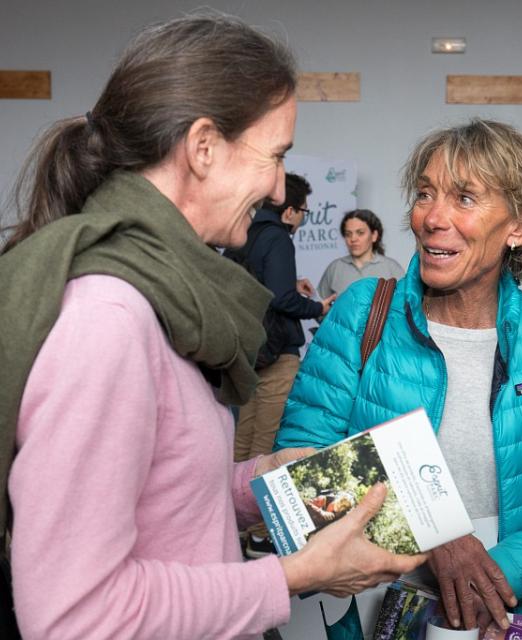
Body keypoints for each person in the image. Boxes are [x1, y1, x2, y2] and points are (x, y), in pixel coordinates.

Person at [0, 15, 427, 639]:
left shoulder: (161, 301)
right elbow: (74, 617)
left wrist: (262, 483)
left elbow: (156, 495)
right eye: (276, 155)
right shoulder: (109, 322)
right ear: (203, 147)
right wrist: (291, 578)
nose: (281, 185)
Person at [275, 119, 522, 640]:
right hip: (367, 608)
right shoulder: (363, 313)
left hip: (506, 613)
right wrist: (434, 535)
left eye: (465, 198)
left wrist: (500, 574)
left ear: (521, 226)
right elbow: (299, 464)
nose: (432, 217)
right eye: (425, 193)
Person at [227, 172, 335, 558]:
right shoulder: (278, 239)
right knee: (268, 443)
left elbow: (257, 287)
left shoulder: (247, 233)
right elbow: (280, 300)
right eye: (303, 210)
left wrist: (293, 288)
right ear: (289, 211)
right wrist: (318, 307)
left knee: (242, 439)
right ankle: (258, 532)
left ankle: (231, 529)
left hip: (248, 350)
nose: (304, 217)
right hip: (276, 353)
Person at [317, 208, 405, 298]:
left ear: (374, 235)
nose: (353, 239)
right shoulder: (334, 268)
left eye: (360, 233)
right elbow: (322, 306)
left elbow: (406, 304)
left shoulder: (391, 268)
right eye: (348, 234)